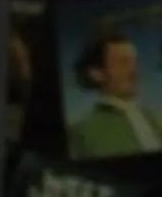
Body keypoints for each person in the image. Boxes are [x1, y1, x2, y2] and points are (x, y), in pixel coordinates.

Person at [65, 31, 162, 160]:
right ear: (97, 73)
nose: (134, 71)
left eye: (134, 62)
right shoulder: (82, 134)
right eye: (123, 63)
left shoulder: (157, 119)